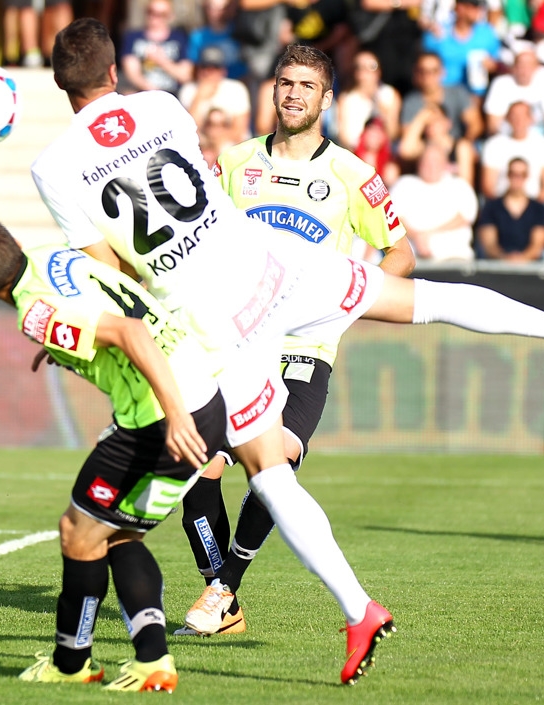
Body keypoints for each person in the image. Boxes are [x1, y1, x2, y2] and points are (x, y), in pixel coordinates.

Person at [31, 18, 544, 684]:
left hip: (219, 321)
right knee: (428, 299)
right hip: (272, 265)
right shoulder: (162, 106)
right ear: (116, 72)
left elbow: (111, 274)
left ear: (61, 83)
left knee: (267, 469)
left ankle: (355, 606)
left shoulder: (54, 167)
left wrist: (79, 324)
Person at [175, 42, 415, 640]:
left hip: (305, 351)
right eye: (285, 82)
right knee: (198, 468)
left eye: (307, 86)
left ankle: (223, 589)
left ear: (327, 99)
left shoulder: (351, 174)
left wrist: (350, 300)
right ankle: (219, 588)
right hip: (233, 341)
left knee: (274, 462)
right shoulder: (233, 163)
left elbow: (401, 252)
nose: (293, 94)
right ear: (273, 88)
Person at [0, 215, 228, 693]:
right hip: (204, 395)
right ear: (13, 241)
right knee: (116, 534)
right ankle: (152, 662)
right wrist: (64, 348)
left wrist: (175, 416)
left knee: (79, 531)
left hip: (162, 420)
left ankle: (72, 663)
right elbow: (106, 293)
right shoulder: (52, 254)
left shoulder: (34, 310)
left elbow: (130, 334)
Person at [391, 142, 479, 261]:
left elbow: (465, 217)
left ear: (445, 164)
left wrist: (427, 234)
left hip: (454, 258)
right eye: (427, 161)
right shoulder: (403, 185)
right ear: (419, 163)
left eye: (436, 161)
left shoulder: (460, 186)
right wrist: (416, 236)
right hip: (413, 261)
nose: (431, 166)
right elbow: (394, 218)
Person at [480, 100, 544, 203]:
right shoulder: (493, 145)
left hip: (534, 207)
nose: (519, 120)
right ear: (507, 119)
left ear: (531, 119)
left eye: (523, 116)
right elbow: (488, 187)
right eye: (514, 116)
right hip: (501, 207)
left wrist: (529, 210)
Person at [477, 157, 544, 261]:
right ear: (508, 175)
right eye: (513, 174)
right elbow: (489, 244)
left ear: (527, 176)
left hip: (530, 270)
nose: (517, 178)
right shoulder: (491, 207)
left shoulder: (538, 209)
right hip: (498, 267)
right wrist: (506, 259)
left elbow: (537, 245)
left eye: (522, 174)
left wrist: (521, 259)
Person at [178, 45, 251, 145]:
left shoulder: (236, 89)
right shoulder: (188, 90)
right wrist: (199, 98)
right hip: (201, 147)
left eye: (215, 67)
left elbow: (239, 130)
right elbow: (187, 130)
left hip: (231, 147)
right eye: (205, 67)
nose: (208, 72)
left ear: (223, 70)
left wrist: (213, 142)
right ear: (198, 68)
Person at [119, 0, 193, 95]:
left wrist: (162, 61)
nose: (154, 17)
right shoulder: (132, 37)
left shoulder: (179, 39)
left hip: (173, 95)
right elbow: (131, 72)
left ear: (170, 16)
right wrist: (151, 89)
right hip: (141, 93)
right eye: (151, 11)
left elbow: (185, 75)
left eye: (161, 14)